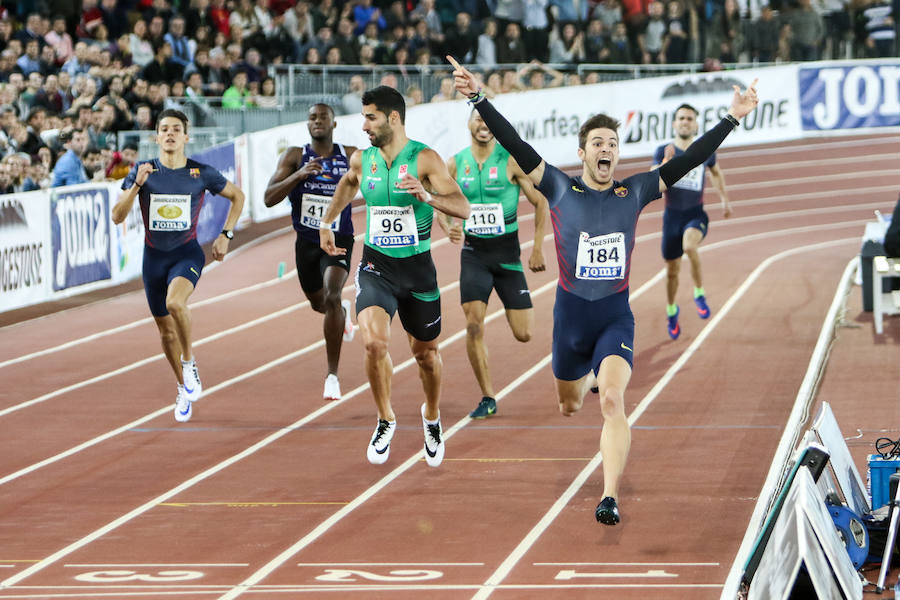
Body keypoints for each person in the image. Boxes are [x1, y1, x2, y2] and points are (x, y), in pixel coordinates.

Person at [449, 55, 758, 525]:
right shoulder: (556, 187)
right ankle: (586, 377)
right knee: (569, 405)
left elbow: (691, 159)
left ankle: (609, 495)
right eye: (597, 142)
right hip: (570, 320)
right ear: (584, 151)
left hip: (615, 317)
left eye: (612, 143)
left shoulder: (634, 191)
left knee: (613, 401)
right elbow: (513, 140)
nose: (606, 149)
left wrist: (731, 118)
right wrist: (477, 97)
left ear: (617, 153)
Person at [319, 86, 471, 468]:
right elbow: (349, 184)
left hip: (418, 271)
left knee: (427, 355)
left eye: (370, 117)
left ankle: (432, 416)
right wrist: (326, 220)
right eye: (363, 117)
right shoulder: (362, 159)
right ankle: (385, 417)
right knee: (373, 344)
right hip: (377, 266)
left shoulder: (424, 159)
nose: (364, 124)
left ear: (393, 118)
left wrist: (427, 196)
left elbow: (463, 207)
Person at [111, 108, 245, 423]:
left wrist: (226, 234)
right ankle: (183, 386)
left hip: (187, 254)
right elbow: (117, 217)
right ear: (156, 137)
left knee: (176, 303)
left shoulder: (201, 173)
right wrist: (136, 186)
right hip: (153, 259)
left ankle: (189, 363)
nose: (170, 134)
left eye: (176, 129)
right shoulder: (142, 171)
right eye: (164, 129)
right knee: (164, 330)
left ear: (186, 137)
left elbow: (237, 196)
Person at [441, 108, 549, 419]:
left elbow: (540, 201)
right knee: (473, 325)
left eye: (488, 121)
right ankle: (488, 396)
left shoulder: (510, 160)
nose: (483, 125)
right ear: (469, 124)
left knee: (524, 333)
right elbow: (439, 198)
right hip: (474, 256)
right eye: (478, 119)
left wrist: (538, 248)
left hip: (507, 258)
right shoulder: (455, 163)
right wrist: (446, 222)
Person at [263, 103, 358, 402]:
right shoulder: (294, 156)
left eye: (323, 117)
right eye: (312, 117)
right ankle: (341, 314)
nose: (317, 121)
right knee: (320, 304)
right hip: (306, 244)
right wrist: (298, 176)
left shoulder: (350, 155)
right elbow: (268, 198)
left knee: (332, 294)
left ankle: (332, 375)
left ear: (334, 123)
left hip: (339, 237)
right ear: (307, 124)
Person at [653, 103, 732, 340]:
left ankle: (699, 292)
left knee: (690, 246)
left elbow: (716, 173)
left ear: (696, 124)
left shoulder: (704, 151)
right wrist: (664, 164)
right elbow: (651, 176)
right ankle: (671, 309)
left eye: (689, 118)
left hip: (696, 214)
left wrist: (725, 201)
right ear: (675, 124)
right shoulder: (664, 150)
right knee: (672, 272)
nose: (685, 122)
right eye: (681, 118)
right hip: (671, 219)